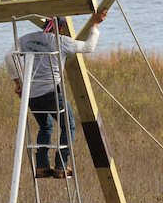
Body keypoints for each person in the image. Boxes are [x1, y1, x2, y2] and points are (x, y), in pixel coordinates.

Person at [6, 11, 108, 178]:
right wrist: (95, 24)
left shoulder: (26, 39)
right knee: (68, 126)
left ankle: (42, 166)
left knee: (46, 126)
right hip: (51, 93)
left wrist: (18, 82)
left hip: (31, 97)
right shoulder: (62, 42)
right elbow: (89, 46)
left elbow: (9, 57)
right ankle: (61, 165)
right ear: (61, 28)